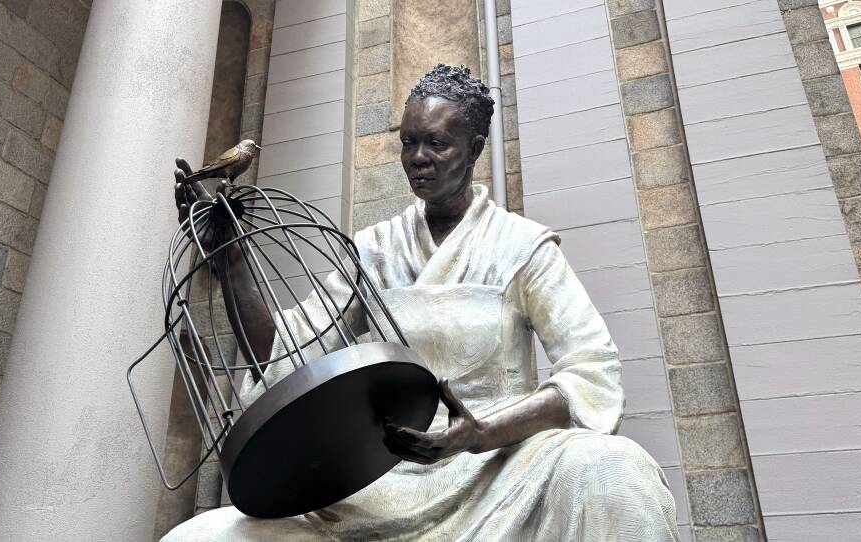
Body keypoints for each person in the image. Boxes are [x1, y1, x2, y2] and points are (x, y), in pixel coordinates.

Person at [165, 64, 680, 541]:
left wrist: (481, 432)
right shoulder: (371, 249)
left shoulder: (521, 247)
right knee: (203, 537)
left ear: (474, 148)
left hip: (500, 469)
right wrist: (231, 261)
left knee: (614, 469)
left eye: (437, 143)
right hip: (380, 478)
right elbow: (287, 355)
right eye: (409, 141)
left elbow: (591, 370)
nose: (417, 157)